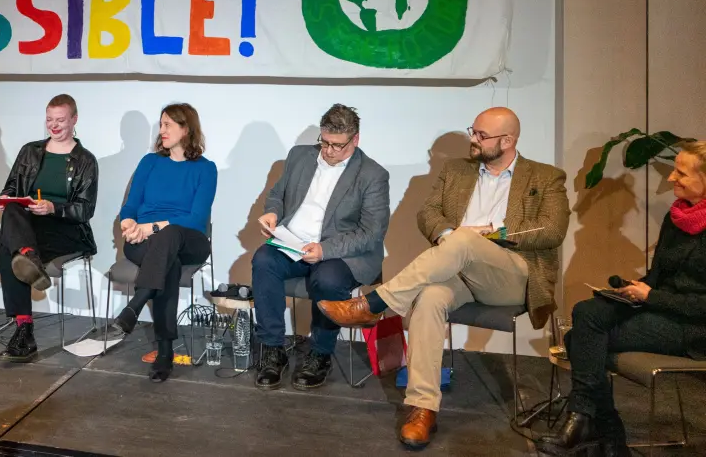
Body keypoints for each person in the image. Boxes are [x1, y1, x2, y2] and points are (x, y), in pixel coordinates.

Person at [319, 107, 570, 449]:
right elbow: (428, 214)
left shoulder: (545, 177)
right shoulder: (456, 170)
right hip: (458, 269)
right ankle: (423, 408)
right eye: (473, 131)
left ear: (508, 141)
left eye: (481, 135)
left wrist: (489, 233)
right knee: (429, 298)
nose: (473, 139)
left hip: (511, 275)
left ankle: (375, 303)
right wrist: (452, 236)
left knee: (464, 240)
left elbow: (552, 230)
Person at [538, 142, 706, 457]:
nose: (671, 178)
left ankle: (599, 427)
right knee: (587, 310)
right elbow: (658, 277)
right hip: (661, 310)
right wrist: (635, 288)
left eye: (681, 173)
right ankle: (600, 432)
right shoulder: (677, 217)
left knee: (578, 339)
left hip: (694, 330)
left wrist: (652, 296)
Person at [251, 104, 390, 390]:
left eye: (337, 145)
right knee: (263, 259)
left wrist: (325, 250)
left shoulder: (372, 175)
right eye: (325, 142)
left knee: (327, 278)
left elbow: (371, 233)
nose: (328, 151)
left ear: (355, 139)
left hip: (341, 253)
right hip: (293, 243)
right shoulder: (299, 156)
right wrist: (273, 213)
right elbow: (277, 194)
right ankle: (273, 348)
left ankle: (320, 354)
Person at [103, 103, 217, 382]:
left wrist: (152, 227)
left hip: (189, 239)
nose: (161, 130)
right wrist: (129, 225)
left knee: (170, 235)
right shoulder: (150, 162)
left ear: (186, 129)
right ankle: (165, 351)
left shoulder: (206, 169)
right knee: (169, 264)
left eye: (168, 125)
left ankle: (135, 304)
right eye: (161, 124)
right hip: (144, 242)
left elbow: (196, 218)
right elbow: (130, 206)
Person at [0, 94, 98, 363]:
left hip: (66, 229)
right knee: (12, 211)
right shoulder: (30, 151)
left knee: (9, 246)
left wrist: (53, 208)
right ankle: (28, 255)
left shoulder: (86, 160)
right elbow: (12, 187)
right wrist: (6, 197)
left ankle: (24, 330)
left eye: (60, 120)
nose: (54, 125)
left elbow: (85, 210)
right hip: (29, 225)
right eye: (50, 119)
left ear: (74, 120)